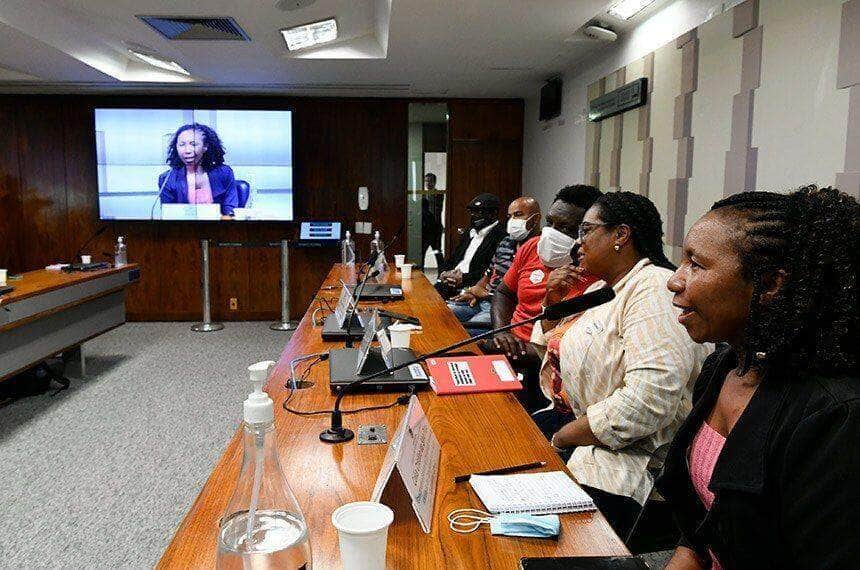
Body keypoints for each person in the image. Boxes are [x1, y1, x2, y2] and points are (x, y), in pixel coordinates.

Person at [658, 186, 858, 569]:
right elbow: (700, 533)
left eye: (696, 265)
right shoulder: (724, 368)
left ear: (769, 284)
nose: (675, 280)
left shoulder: (834, 415)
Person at [535, 191, 711, 538]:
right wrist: (551, 302)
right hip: (577, 425)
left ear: (621, 235)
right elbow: (551, 345)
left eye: (585, 231)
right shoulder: (606, 286)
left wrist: (564, 436)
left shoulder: (655, 289)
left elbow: (649, 399)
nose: (577, 242)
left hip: (624, 458)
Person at [486, 185, 602, 410]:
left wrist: (510, 349)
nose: (552, 233)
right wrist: (502, 332)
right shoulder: (531, 247)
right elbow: (503, 292)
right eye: (551, 223)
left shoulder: (596, 274)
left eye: (566, 228)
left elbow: (569, 351)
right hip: (510, 349)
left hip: (546, 366)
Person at [447, 196, 541, 336]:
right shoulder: (506, 242)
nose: (512, 221)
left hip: (502, 310)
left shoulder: (539, 249)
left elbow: (521, 296)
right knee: (443, 313)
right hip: (480, 301)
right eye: (510, 216)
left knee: (463, 334)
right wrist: (474, 291)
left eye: (518, 215)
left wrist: (486, 295)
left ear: (535, 219)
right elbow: (490, 272)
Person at [158, 123, 238, 219]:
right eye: (182, 145)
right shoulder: (167, 179)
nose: (187, 150)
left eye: (193, 144)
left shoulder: (224, 173)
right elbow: (169, 216)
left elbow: (231, 211)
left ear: (205, 146)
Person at [435, 193, 507, 298]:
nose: (474, 216)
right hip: (450, 282)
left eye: (479, 212)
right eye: (472, 212)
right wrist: (444, 273)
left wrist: (463, 278)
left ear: (493, 213)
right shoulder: (469, 232)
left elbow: (491, 270)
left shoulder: (502, 237)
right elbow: (453, 258)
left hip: (471, 288)